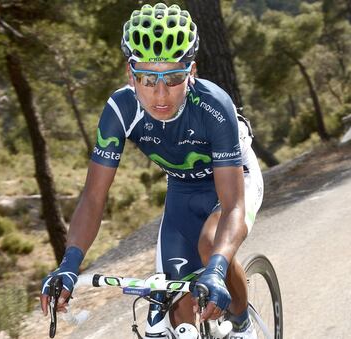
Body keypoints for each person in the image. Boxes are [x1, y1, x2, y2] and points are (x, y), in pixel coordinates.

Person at [40, 3, 263, 339]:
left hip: (234, 182)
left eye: (173, 78)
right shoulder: (120, 110)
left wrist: (216, 269)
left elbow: (232, 206)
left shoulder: (214, 106)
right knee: (176, 309)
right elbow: (94, 196)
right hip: (183, 191)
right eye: (147, 78)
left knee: (209, 245)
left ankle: (243, 325)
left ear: (191, 70)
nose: (160, 95)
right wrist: (70, 263)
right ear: (131, 74)